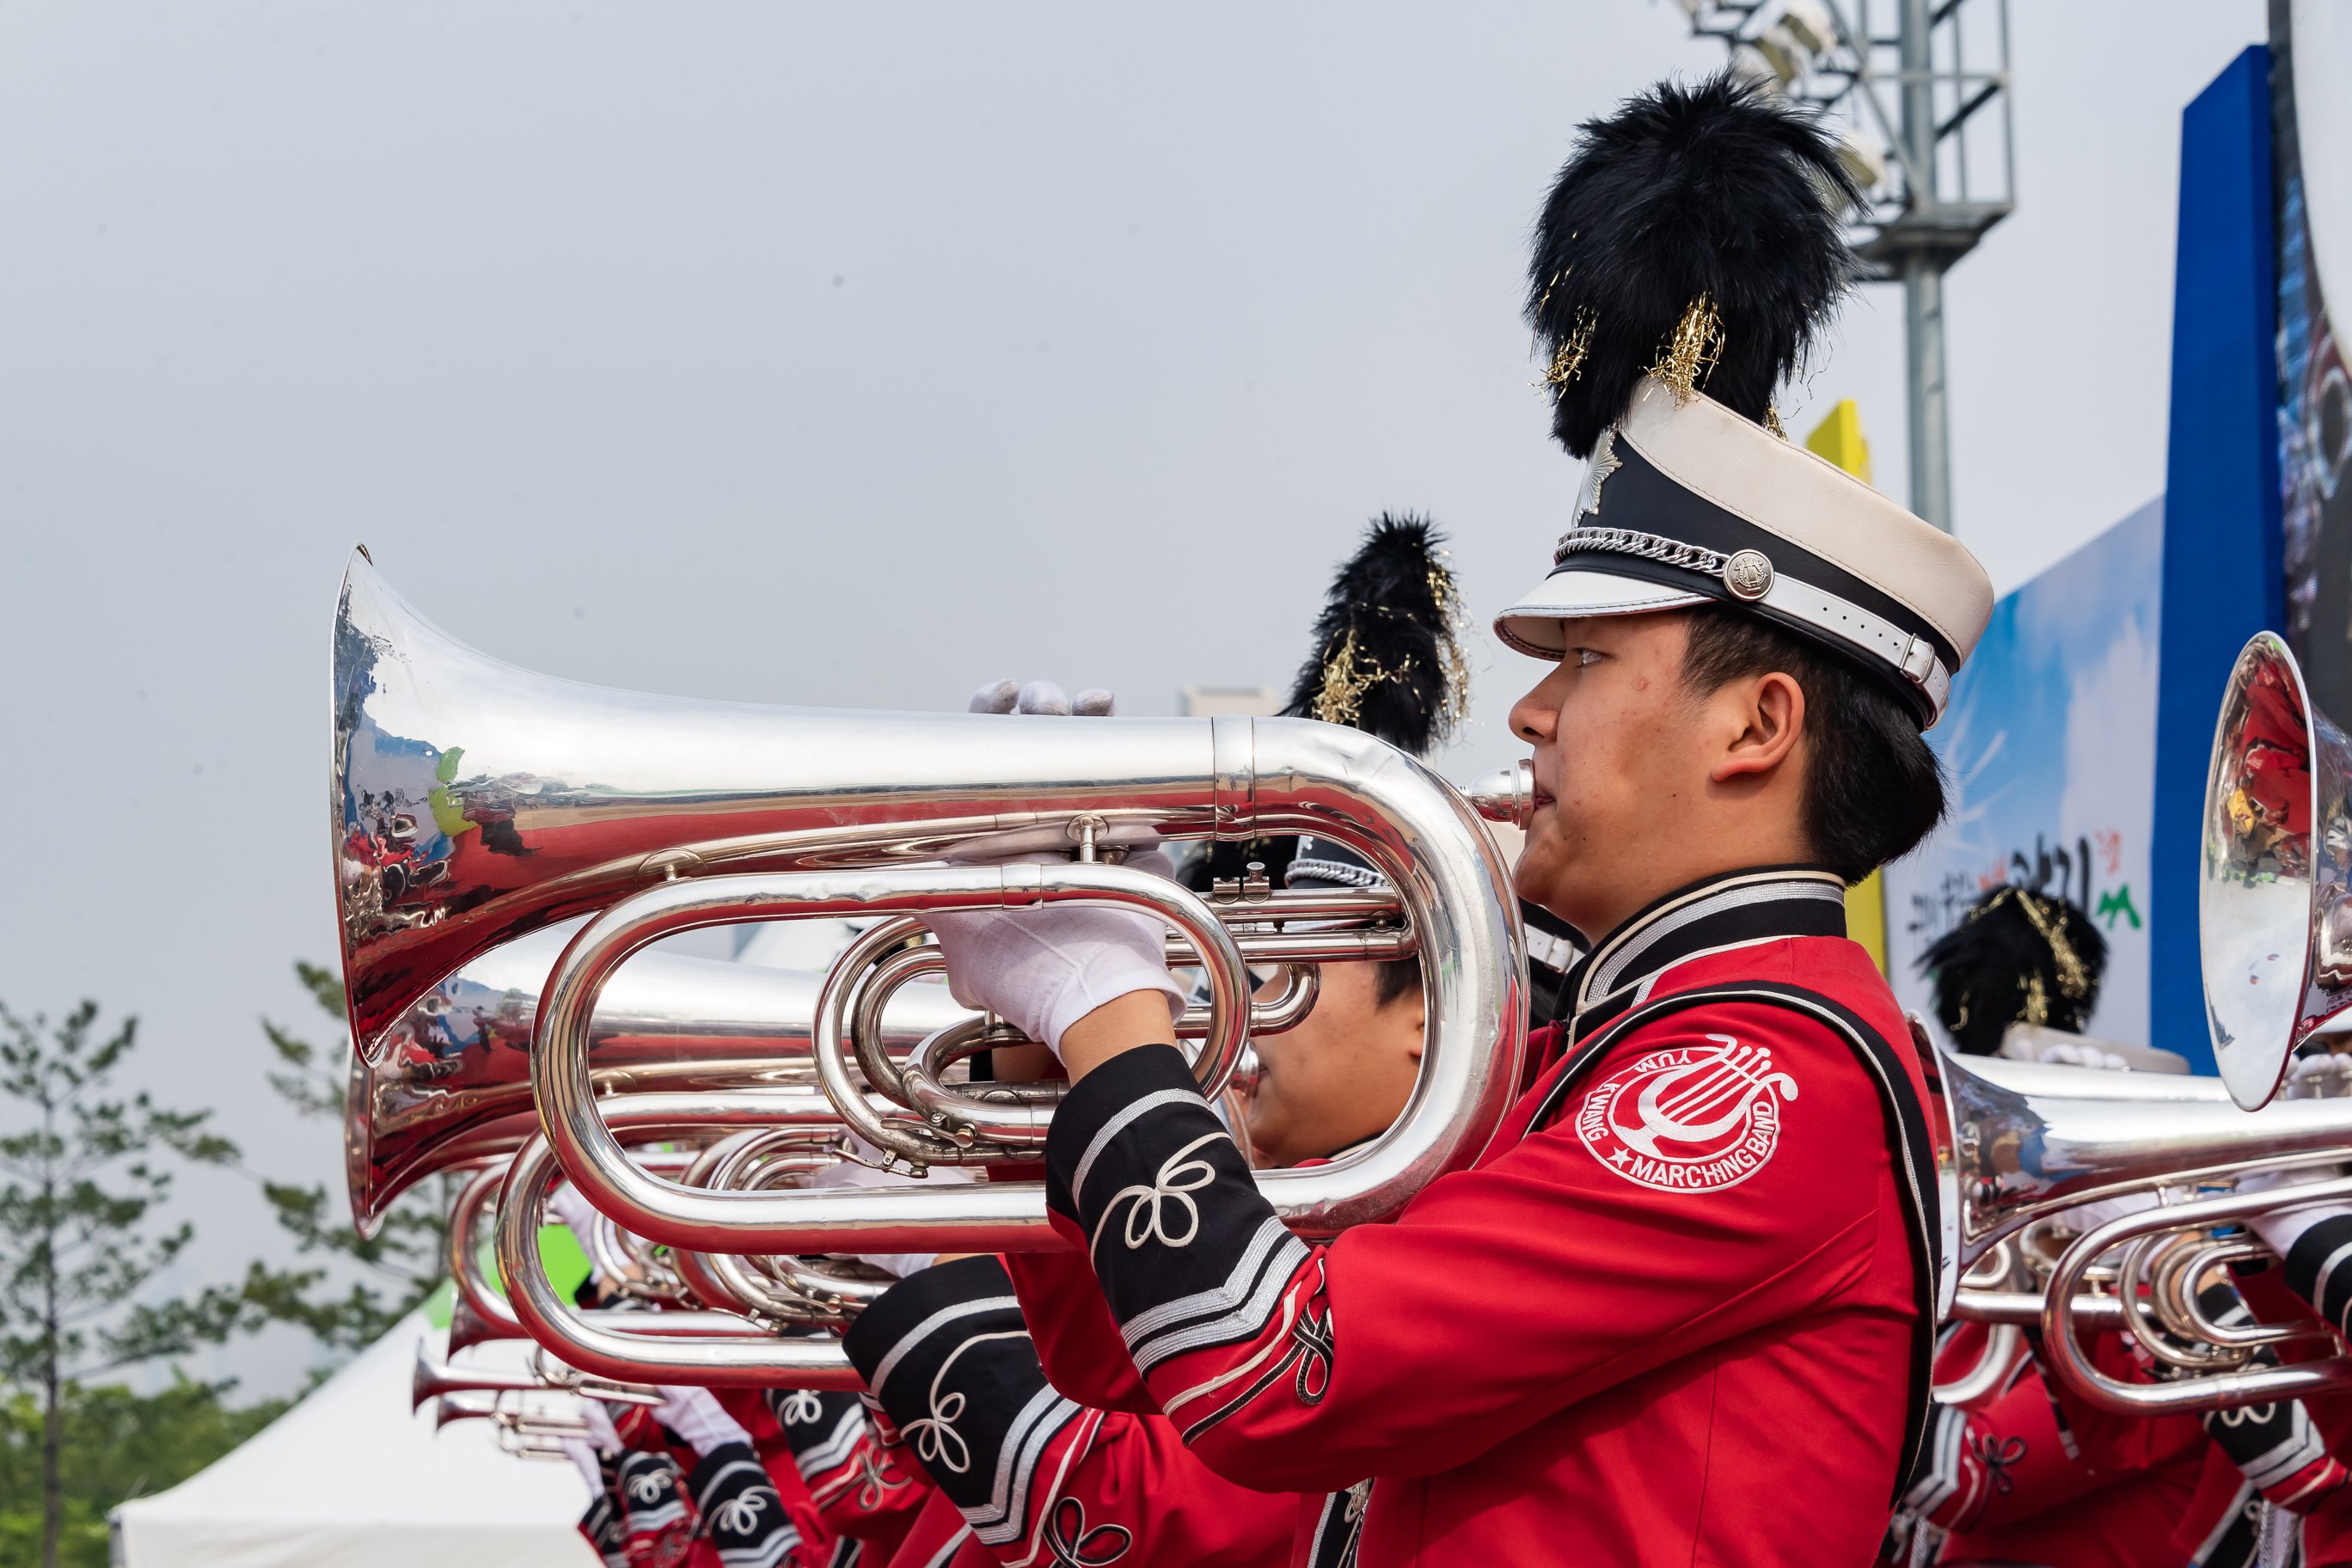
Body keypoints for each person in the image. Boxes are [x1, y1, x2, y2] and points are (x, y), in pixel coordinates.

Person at [924, 71, 1998, 1565]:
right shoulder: (1615, 1061)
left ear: (1760, 727)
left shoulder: (1761, 1082)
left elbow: (1272, 1374)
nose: (1531, 716)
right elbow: (1142, 1380)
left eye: (1582, 663)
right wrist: (1045, 1061)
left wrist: (1111, 1008)